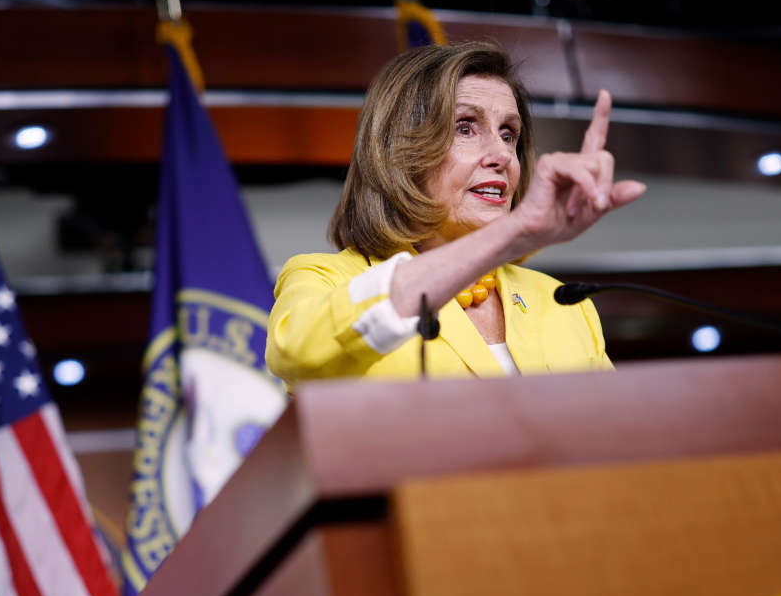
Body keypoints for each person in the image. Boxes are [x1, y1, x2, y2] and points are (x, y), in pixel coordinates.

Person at [266, 41, 645, 392]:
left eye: (508, 134)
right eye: (465, 127)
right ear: (400, 152)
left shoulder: (562, 302)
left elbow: (614, 446)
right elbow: (295, 356)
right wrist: (513, 232)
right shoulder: (323, 278)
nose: (501, 155)